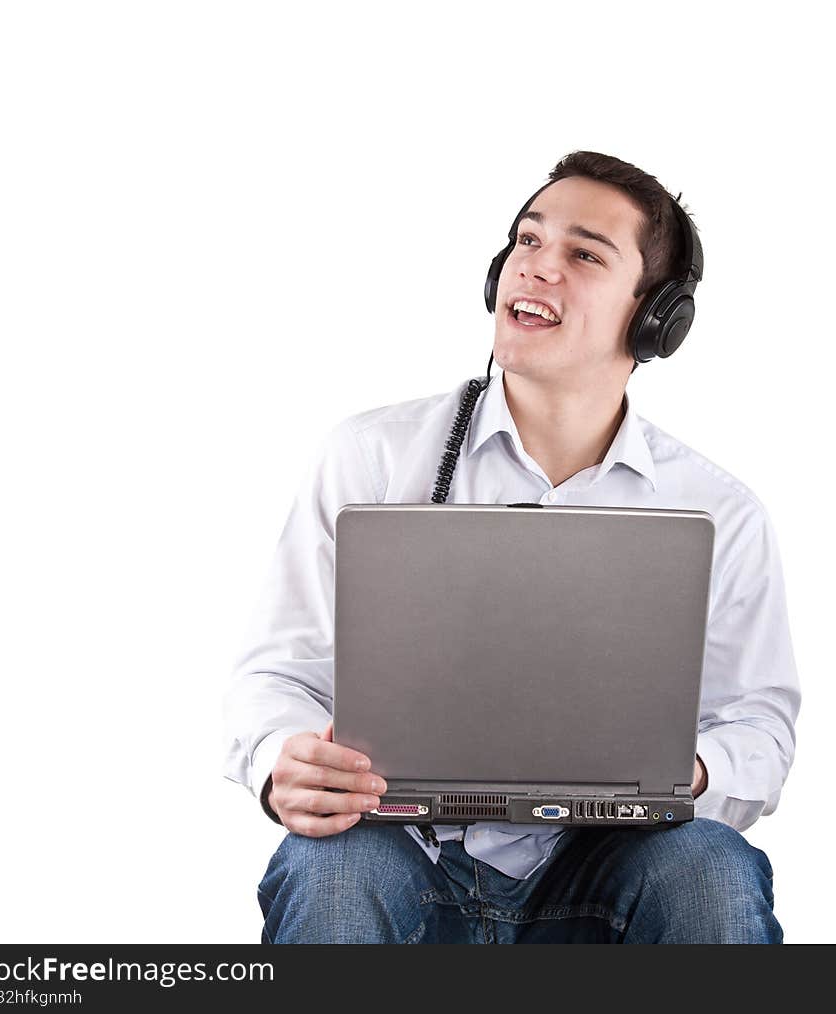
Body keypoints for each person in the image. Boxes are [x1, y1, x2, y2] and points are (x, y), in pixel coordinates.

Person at [223, 150, 800, 943]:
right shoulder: (372, 458)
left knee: (709, 864)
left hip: (608, 869)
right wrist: (280, 759)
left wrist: (687, 773)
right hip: (402, 858)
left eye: (583, 254)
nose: (536, 269)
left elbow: (758, 726)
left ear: (655, 316)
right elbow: (275, 672)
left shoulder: (719, 511)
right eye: (527, 243)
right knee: (332, 868)